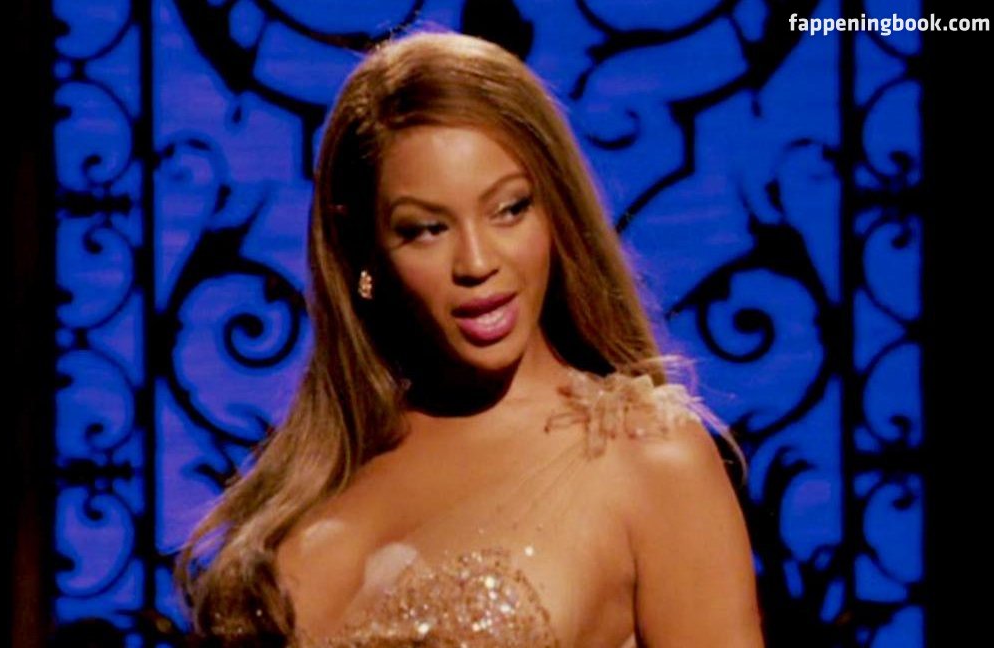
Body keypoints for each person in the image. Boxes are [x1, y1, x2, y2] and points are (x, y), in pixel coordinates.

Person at [176, 30, 763, 647]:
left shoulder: (646, 457)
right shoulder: (311, 481)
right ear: (363, 249)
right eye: (427, 229)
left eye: (510, 209)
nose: (478, 262)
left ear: (554, 211)